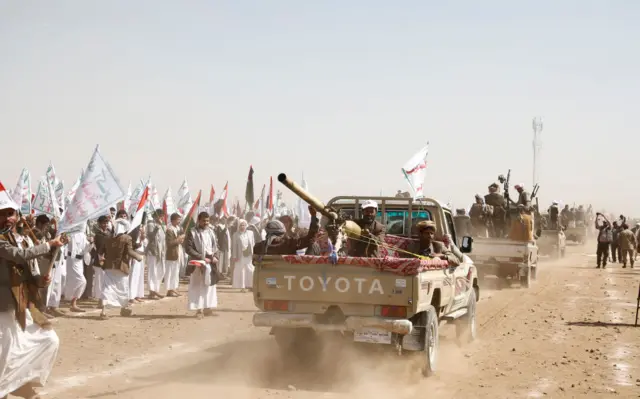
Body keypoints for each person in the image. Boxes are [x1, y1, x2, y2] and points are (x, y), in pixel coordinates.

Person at [0, 187, 64, 399]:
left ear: (16, 216)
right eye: (2, 214)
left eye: (10, 213)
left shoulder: (19, 238)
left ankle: (20, 383)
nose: (7, 218)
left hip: (21, 303)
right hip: (3, 306)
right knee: (6, 352)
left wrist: (40, 281)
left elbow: (26, 272)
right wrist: (48, 244)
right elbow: (20, 256)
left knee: (48, 339)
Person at [99, 219, 143, 320]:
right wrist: (138, 257)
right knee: (122, 289)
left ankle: (104, 311)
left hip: (109, 267)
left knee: (108, 288)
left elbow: (101, 252)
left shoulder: (108, 238)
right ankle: (124, 308)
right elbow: (129, 252)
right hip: (121, 267)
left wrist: (102, 262)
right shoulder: (127, 238)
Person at [184, 212, 219, 319]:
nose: (206, 223)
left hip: (210, 262)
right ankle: (199, 310)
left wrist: (215, 256)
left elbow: (216, 245)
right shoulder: (192, 232)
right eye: (204, 221)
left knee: (209, 285)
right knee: (198, 285)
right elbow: (188, 248)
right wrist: (201, 257)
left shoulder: (211, 232)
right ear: (198, 220)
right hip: (198, 262)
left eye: (207, 221)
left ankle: (207, 308)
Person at [254, 205, 319, 255]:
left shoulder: (258, 247)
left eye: (287, 221)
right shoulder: (288, 244)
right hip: (290, 272)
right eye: (283, 221)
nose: (285, 223)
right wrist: (313, 217)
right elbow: (310, 238)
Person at [64, 229, 90, 312]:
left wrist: (91, 243)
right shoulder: (70, 233)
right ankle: (70, 300)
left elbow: (86, 248)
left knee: (77, 281)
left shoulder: (83, 234)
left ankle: (73, 303)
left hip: (79, 261)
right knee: (81, 281)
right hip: (72, 259)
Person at [146, 209, 166, 299]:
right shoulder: (151, 224)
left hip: (161, 252)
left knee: (160, 271)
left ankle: (156, 289)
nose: (161, 218)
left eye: (162, 216)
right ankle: (152, 291)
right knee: (152, 271)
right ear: (155, 216)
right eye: (160, 216)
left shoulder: (162, 226)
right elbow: (150, 237)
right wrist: (156, 228)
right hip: (153, 251)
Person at [231, 219, 255, 292]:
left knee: (250, 269)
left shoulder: (250, 233)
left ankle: (251, 285)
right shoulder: (235, 235)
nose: (242, 227)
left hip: (249, 254)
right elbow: (234, 246)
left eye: (244, 225)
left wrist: (254, 253)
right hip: (240, 255)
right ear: (238, 226)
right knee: (241, 270)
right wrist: (234, 256)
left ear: (246, 225)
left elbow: (253, 243)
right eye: (241, 225)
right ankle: (242, 287)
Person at [164, 213, 185, 297]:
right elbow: (169, 243)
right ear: (173, 220)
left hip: (178, 252)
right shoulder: (169, 230)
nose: (179, 221)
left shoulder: (179, 229)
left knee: (176, 272)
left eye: (180, 219)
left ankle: (174, 288)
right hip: (171, 254)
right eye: (178, 219)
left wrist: (181, 239)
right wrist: (178, 240)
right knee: (170, 272)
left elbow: (180, 240)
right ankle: (169, 289)